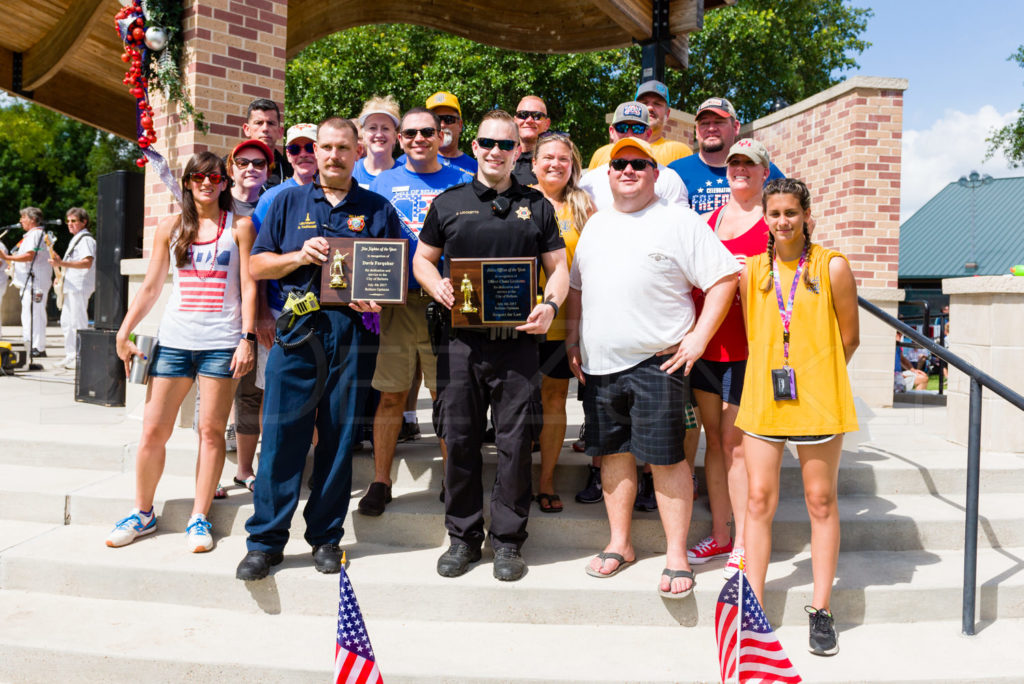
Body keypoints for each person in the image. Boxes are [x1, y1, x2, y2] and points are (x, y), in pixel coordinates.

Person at [566, 137, 739, 598]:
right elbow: (578, 288)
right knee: (614, 455)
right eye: (619, 163)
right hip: (600, 363)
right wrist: (572, 337)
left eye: (638, 164)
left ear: (655, 173)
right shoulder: (597, 225)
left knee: (666, 459)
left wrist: (699, 338)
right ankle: (620, 544)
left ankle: (677, 555)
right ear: (608, 174)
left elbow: (724, 278)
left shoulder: (678, 220)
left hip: (658, 362)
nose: (627, 170)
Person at [236, 117, 403, 581]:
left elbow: (395, 271)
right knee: (282, 440)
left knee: (338, 437)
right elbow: (257, 263)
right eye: (324, 147)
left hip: (353, 335)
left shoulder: (376, 207)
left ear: (356, 152)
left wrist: (380, 295)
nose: (332, 155)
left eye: (342, 148)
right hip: (296, 332)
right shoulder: (286, 200)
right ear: (316, 151)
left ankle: (326, 538)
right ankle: (265, 542)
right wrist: (296, 256)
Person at [414, 109, 568, 582]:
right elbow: (422, 259)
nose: (495, 151)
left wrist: (551, 305)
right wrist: (434, 284)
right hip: (461, 343)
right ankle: (462, 537)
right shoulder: (448, 203)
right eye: (487, 143)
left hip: (518, 345)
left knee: (515, 443)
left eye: (505, 145)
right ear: (473, 146)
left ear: (518, 150)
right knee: (459, 439)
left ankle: (507, 541)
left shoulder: (537, 205)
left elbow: (559, 268)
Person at [107, 152, 256, 553]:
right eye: (198, 177)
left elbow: (249, 286)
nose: (206, 183)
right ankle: (142, 512)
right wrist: (125, 330)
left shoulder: (240, 226)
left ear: (224, 183)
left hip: (220, 344)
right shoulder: (170, 227)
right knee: (153, 430)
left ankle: (199, 516)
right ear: (188, 182)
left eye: (214, 176)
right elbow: (152, 286)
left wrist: (248, 338)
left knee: (210, 433)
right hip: (174, 342)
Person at [737, 178, 859, 657]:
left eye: (791, 212)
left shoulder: (833, 267)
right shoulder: (753, 271)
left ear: (808, 215)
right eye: (775, 213)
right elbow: (757, 333)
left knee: (820, 501)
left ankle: (822, 609)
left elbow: (849, 338)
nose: (783, 221)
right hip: (765, 401)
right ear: (764, 218)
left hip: (819, 402)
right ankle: (755, 607)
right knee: (759, 499)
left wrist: (815, 378)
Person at [357, 107, 471, 516]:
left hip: (449, 302)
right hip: (399, 302)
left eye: (428, 132)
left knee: (446, 397)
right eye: (410, 133)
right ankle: (380, 480)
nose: (419, 139)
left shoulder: (464, 180)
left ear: (441, 135)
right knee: (390, 395)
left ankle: (451, 479)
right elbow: (365, 238)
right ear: (400, 139)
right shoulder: (381, 183)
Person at [686, 139, 773, 577]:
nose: (740, 170)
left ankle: (742, 542)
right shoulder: (708, 221)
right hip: (706, 343)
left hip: (750, 347)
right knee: (712, 439)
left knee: (735, 443)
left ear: (764, 173)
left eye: (749, 164)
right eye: (734, 163)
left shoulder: (773, 225)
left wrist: (751, 274)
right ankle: (720, 534)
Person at [531, 132, 595, 514]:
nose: (555, 164)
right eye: (548, 157)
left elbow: (590, 272)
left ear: (573, 165)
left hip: (562, 323)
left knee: (554, 399)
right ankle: (515, 479)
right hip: (518, 320)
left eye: (564, 159)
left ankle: (547, 480)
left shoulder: (585, 206)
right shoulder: (517, 198)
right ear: (534, 162)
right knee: (517, 405)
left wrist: (575, 334)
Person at [251, 123, 319, 387]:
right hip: (280, 311)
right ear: (287, 155)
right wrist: (263, 313)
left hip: (326, 312)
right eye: (294, 148)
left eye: (310, 147)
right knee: (275, 392)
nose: (303, 154)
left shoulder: (335, 194)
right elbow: (256, 261)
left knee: (318, 395)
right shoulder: (271, 199)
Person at [225, 138, 272, 490]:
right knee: (216, 396)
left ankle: (251, 468)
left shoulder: (274, 203)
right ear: (232, 168)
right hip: (219, 314)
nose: (251, 169)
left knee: (254, 392)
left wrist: (262, 314)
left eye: (258, 163)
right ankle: (227, 469)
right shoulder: (217, 205)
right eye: (243, 162)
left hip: (259, 312)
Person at [669, 97, 785, 213]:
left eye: (719, 122)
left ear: (736, 127)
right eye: (704, 123)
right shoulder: (676, 172)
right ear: (697, 131)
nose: (711, 128)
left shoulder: (761, 169)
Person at [579, 101, 689, 211]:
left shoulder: (669, 180)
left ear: (648, 134)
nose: (629, 134)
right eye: (622, 127)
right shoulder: (589, 182)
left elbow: (681, 224)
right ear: (612, 132)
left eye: (638, 128)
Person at [587, 81, 692, 169]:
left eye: (657, 103)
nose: (650, 108)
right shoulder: (600, 154)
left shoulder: (680, 152)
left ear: (667, 113)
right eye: (644, 102)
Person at [49, 207, 96, 370]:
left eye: (74, 221)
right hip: (71, 285)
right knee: (67, 322)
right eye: (68, 221)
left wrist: (61, 264)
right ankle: (71, 355)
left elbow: (87, 262)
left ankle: (81, 356)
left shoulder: (86, 240)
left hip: (79, 286)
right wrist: (60, 274)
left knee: (77, 321)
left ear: (84, 222)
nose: (70, 224)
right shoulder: (76, 239)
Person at [4, 207, 53, 356]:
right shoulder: (31, 235)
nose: (20, 221)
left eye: (23, 217)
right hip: (30, 282)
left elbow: (29, 256)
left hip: (35, 282)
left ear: (32, 219)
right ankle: (29, 343)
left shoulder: (36, 234)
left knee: (35, 314)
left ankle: (37, 347)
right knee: (29, 313)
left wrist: (7, 258)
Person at [397, 92, 477, 174]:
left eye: (449, 119)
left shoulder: (475, 168)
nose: (442, 125)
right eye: (437, 119)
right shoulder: (404, 162)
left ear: (460, 125)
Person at [241, 98, 292, 190]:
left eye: (271, 123)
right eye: (259, 123)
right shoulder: (230, 167)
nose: (265, 128)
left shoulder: (291, 171)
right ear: (247, 129)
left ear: (280, 132)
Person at [352, 95, 401, 188]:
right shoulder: (350, 171)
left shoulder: (405, 175)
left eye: (385, 128)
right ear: (363, 134)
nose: (379, 134)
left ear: (395, 135)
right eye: (372, 128)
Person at [512, 95, 551, 185]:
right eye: (523, 115)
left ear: (547, 124)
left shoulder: (556, 163)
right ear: (515, 121)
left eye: (537, 116)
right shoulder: (502, 160)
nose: (529, 120)